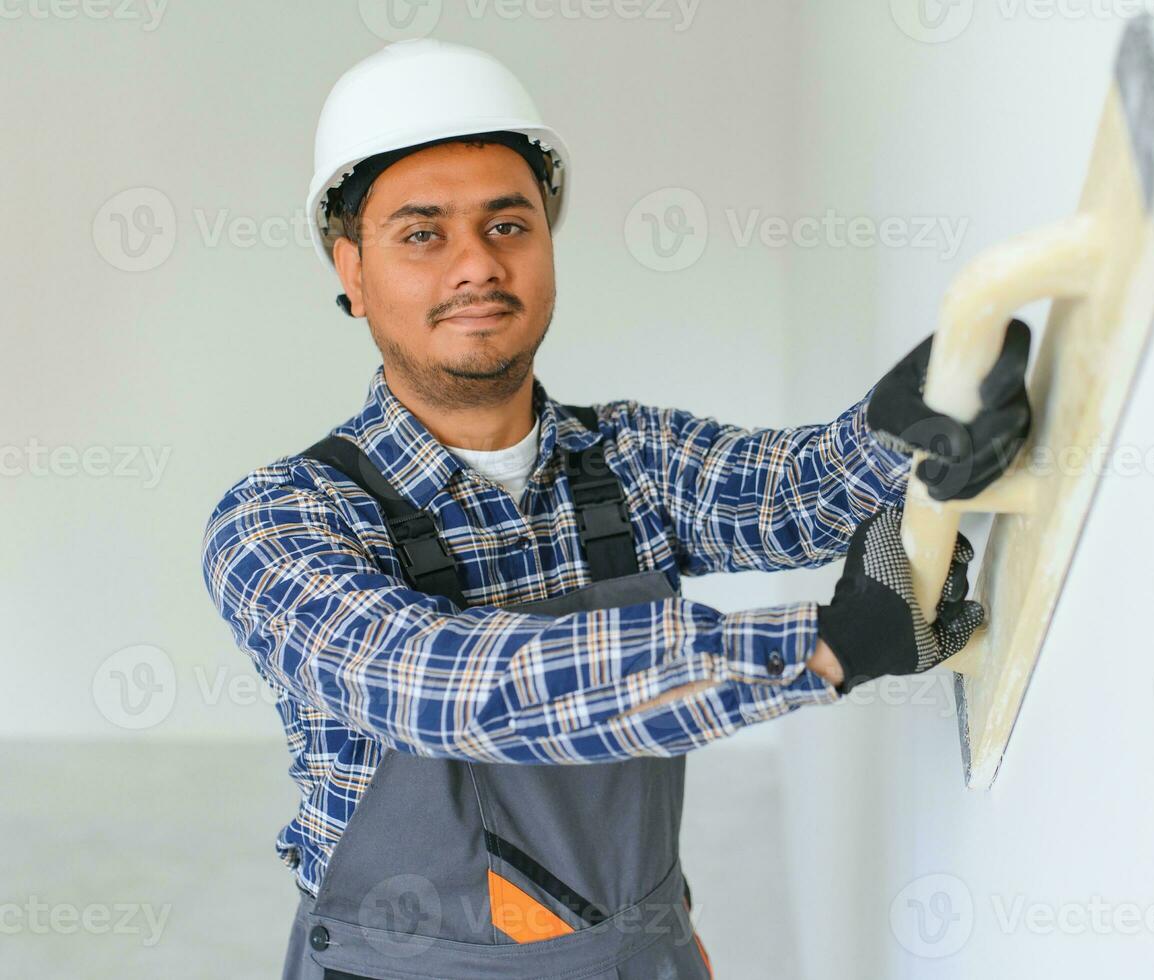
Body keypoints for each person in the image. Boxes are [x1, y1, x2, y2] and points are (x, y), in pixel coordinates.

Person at [200, 38, 1031, 980]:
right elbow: (444, 686)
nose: (475, 264)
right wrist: (826, 646)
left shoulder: (630, 458)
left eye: (508, 225)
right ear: (350, 270)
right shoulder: (278, 521)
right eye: (422, 234)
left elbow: (787, 494)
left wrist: (902, 432)